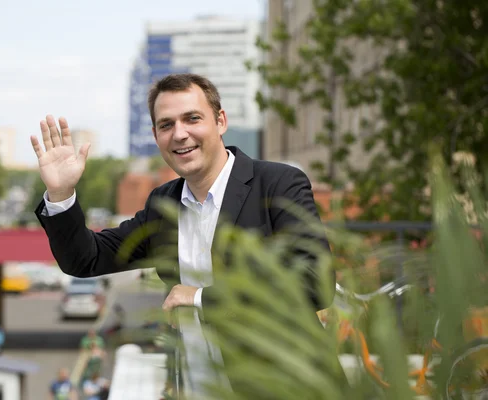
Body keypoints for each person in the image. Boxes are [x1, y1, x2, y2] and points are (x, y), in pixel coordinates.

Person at [31, 73, 336, 396]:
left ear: (220, 121)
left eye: (192, 119)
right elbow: (87, 259)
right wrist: (61, 194)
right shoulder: (164, 204)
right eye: (166, 125)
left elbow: (314, 283)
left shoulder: (277, 185)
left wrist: (200, 298)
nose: (180, 134)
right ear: (155, 135)